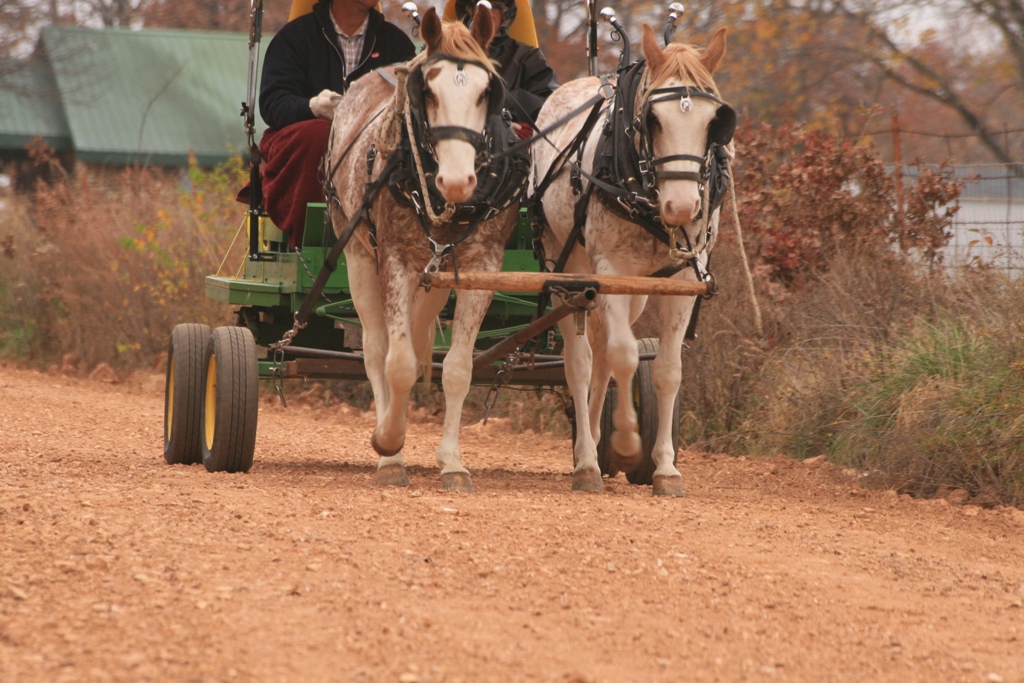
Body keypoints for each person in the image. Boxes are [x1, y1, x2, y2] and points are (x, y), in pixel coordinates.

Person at [252, 0, 416, 248]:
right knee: (320, 136)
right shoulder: (295, 37)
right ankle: (313, 242)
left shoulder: (396, 44)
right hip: (309, 143)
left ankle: (398, 244)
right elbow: (273, 103)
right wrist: (313, 106)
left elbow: (411, 104)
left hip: (376, 142)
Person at [455, 0, 558, 138]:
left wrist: (500, 101)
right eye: (481, 6)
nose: (488, 13)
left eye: (495, 7)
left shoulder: (528, 57)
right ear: (470, 12)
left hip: (512, 152)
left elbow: (551, 105)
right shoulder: (449, 56)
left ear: (504, 15)